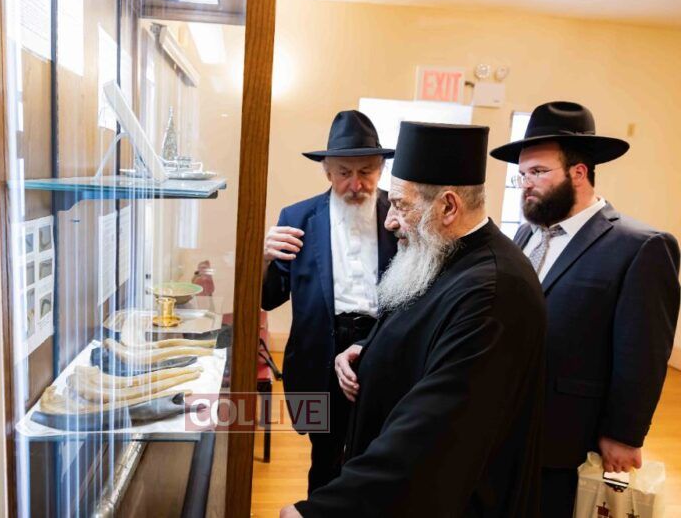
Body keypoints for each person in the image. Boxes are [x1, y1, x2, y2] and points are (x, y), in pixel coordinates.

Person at [281, 122, 546, 517]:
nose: (390, 220)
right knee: (322, 448)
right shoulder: (440, 253)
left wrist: (323, 511)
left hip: (445, 500)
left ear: (448, 207)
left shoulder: (494, 290)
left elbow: (433, 431)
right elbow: (417, 328)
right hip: (325, 381)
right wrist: (368, 348)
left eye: (401, 206)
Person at [489, 101, 681, 517]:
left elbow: (643, 352)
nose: (525, 184)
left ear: (579, 172)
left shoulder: (641, 246)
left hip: (572, 433)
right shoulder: (526, 234)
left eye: (538, 172)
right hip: (510, 424)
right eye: (522, 175)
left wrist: (624, 434)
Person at [262, 110, 398, 493]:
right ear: (326, 172)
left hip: (380, 346)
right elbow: (269, 299)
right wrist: (262, 259)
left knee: (373, 454)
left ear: (381, 169)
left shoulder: (399, 215)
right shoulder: (297, 218)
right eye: (343, 173)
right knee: (322, 457)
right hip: (315, 356)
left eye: (366, 172)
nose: (356, 184)